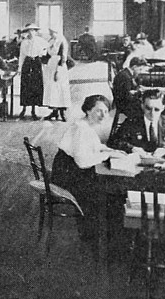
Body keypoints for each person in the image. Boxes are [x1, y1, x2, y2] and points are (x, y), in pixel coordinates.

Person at [51, 95, 127, 242]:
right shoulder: (81, 129)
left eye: (106, 111)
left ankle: (102, 232)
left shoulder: (85, 125)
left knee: (111, 191)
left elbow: (95, 145)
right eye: (98, 111)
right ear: (88, 111)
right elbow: (82, 162)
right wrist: (106, 156)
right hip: (68, 176)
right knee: (109, 194)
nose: (103, 115)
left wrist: (111, 151)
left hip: (71, 171)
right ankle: (98, 236)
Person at [109, 89, 165, 155]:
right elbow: (113, 142)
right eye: (148, 108)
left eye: (157, 109)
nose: (152, 113)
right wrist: (132, 148)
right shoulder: (132, 122)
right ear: (142, 106)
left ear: (163, 108)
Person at [18, 23, 47, 120]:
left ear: (35, 31)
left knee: (35, 86)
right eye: (29, 30)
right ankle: (24, 109)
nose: (31, 32)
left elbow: (48, 48)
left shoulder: (40, 41)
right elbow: (21, 55)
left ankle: (33, 110)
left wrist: (42, 55)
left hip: (36, 63)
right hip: (27, 62)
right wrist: (20, 68)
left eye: (33, 30)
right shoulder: (24, 42)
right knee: (25, 85)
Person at [42, 27, 71, 122]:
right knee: (53, 90)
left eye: (52, 33)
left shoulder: (62, 41)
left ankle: (62, 112)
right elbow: (47, 54)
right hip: (51, 65)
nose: (50, 34)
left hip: (59, 66)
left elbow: (63, 57)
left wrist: (58, 71)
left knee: (60, 89)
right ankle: (54, 112)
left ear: (57, 32)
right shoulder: (51, 41)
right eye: (50, 32)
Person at [111, 56, 148, 126]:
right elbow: (127, 96)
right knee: (146, 108)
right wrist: (139, 92)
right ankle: (137, 128)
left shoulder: (125, 73)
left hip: (122, 103)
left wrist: (136, 91)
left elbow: (128, 92)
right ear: (134, 67)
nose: (140, 72)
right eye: (140, 69)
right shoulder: (125, 76)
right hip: (124, 105)